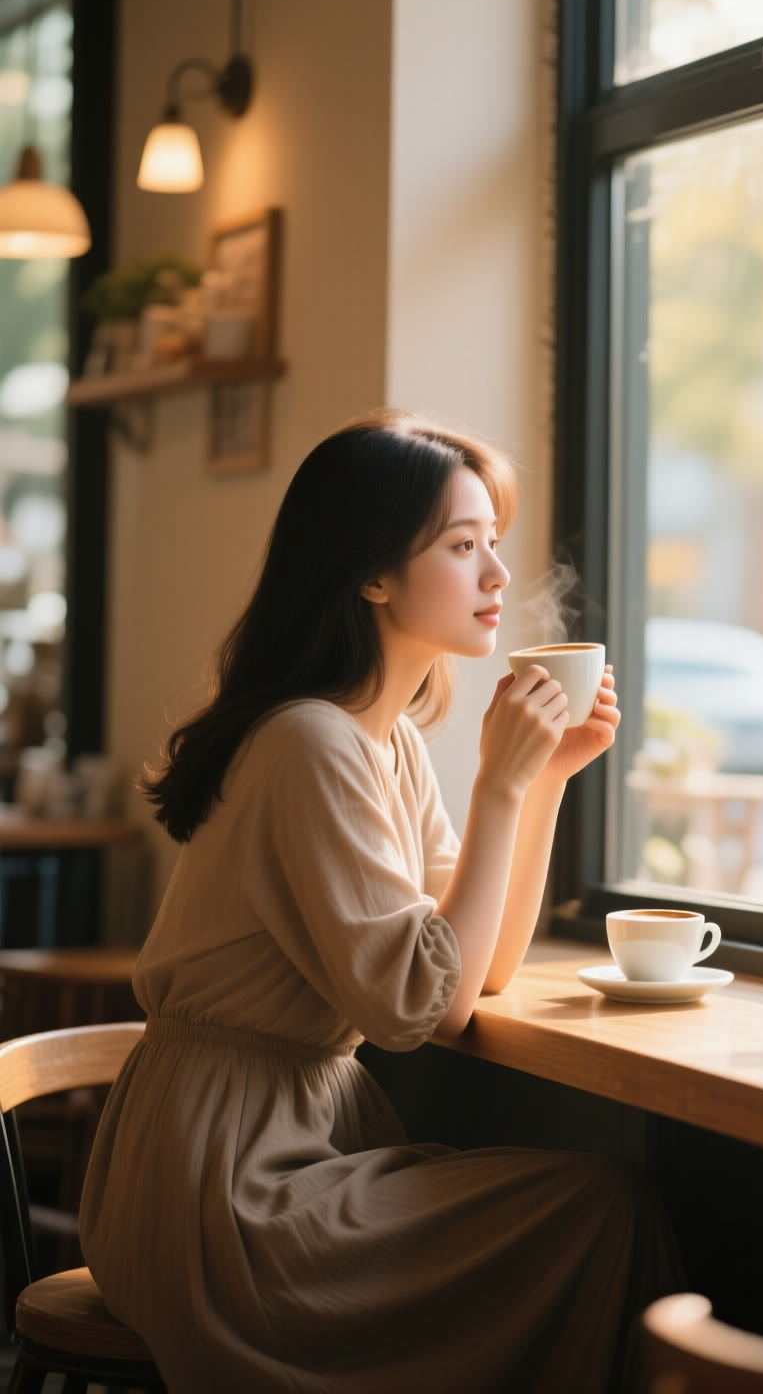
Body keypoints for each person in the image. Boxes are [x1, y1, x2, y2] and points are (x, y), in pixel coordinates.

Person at [79, 409, 679, 1393]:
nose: (494, 575)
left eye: (494, 544)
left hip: (266, 1149)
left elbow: (477, 962)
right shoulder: (309, 742)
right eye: (460, 545)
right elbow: (421, 1007)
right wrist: (495, 786)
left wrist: (545, 782)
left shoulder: (379, 739)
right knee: (602, 1208)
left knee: (601, 1206)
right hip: (221, 1187)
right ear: (370, 572)